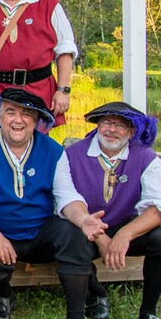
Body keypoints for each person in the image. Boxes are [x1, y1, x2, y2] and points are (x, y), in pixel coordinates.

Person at [0, 89, 108, 319]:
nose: (18, 119)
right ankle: (3, 295)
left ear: (36, 120)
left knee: (72, 234)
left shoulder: (53, 150)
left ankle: (76, 313)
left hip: (40, 232)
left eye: (26, 114)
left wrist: (84, 220)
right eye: (10, 112)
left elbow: (66, 195)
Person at [66, 102, 161, 319]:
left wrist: (124, 235)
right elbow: (63, 200)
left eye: (120, 125)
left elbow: (158, 206)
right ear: (98, 126)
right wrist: (100, 238)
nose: (112, 130)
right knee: (68, 238)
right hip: (85, 226)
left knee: (160, 238)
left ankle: (148, 311)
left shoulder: (145, 157)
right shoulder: (73, 154)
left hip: (128, 227)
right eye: (107, 123)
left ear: (132, 131)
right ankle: (97, 295)